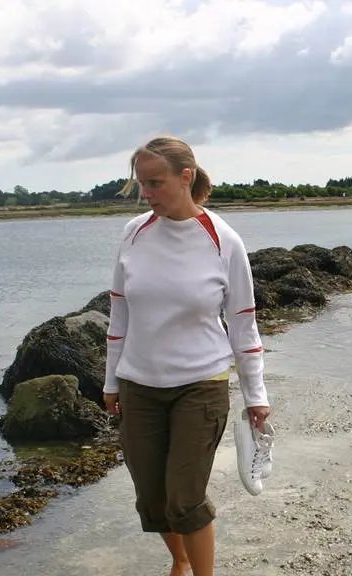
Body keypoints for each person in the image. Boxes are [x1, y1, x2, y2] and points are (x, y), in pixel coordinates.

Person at [102, 135, 271, 576]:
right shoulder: (134, 234)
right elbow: (118, 314)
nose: (146, 194)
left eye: (155, 183)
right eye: (141, 184)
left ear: (186, 176)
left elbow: (243, 323)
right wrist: (111, 381)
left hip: (202, 384)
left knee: (185, 498)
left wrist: (256, 395)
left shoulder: (223, 240)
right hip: (139, 386)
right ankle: (179, 561)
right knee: (153, 499)